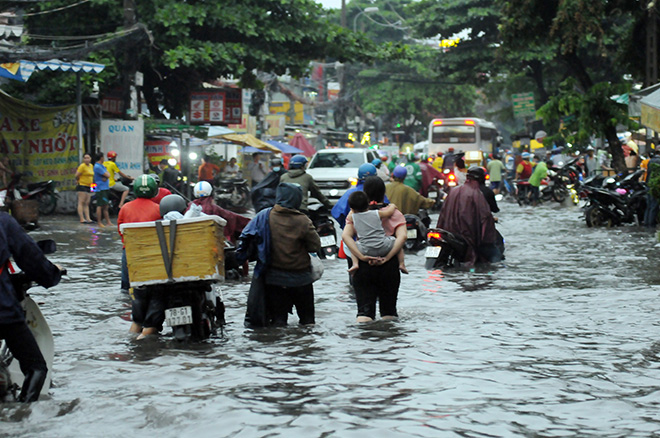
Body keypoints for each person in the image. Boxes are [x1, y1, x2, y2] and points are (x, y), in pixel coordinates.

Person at [236, 183, 321, 326]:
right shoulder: (303, 220)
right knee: (308, 323)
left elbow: (246, 239)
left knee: (278, 323)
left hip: (274, 279)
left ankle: (281, 348)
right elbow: (315, 246)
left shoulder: (264, 216)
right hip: (301, 279)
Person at [0, 212, 62, 402]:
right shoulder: (3, 221)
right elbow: (31, 258)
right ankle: (23, 415)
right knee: (36, 368)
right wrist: (51, 275)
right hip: (3, 311)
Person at [342, 176, 407, 323]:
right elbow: (402, 238)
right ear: (383, 192)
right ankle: (390, 344)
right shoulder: (394, 213)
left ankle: (365, 343)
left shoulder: (354, 214)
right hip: (389, 266)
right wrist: (388, 257)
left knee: (364, 314)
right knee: (389, 313)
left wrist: (361, 257)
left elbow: (346, 237)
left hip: (364, 264)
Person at [117, 175, 163, 334]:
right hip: (152, 257)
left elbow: (121, 231)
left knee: (128, 289)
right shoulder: (158, 209)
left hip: (130, 254)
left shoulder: (125, 208)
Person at [436, 169, 502, 266]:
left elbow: (443, 213)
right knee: (496, 258)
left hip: (449, 233)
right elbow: (485, 218)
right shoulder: (477, 194)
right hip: (468, 236)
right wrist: (485, 239)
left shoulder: (454, 191)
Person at [345, 190, 407, 274]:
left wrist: (362, 257)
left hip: (365, 249)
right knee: (397, 242)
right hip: (383, 246)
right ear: (368, 204)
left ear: (352, 208)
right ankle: (402, 264)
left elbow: (346, 231)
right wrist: (392, 206)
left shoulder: (353, 217)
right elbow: (388, 213)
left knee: (353, 247)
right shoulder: (376, 213)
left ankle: (355, 264)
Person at [331, 163, 382, 229]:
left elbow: (336, 213)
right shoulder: (380, 193)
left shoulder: (350, 193)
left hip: (353, 236)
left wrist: (347, 225)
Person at [93, 152, 112, 227]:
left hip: (105, 187)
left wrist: (106, 176)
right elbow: (108, 174)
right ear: (101, 158)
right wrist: (106, 176)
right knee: (100, 205)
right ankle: (99, 222)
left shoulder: (101, 166)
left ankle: (108, 222)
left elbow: (107, 174)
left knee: (105, 206)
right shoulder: (98, 167)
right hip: (100, 188)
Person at [74, 153, 94, 224]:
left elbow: (92, 177)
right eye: (85, 158)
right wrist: (78, 180)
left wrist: (93, 187)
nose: (86, 159)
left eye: (88, 158)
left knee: (87, 203)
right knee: (81, 202)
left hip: (89, 185)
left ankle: (88, 218)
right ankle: (82, 218)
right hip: (82, 185)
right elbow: (76, 175)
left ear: (90, 159)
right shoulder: (82, 166)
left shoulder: (91, 166)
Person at [643, 151, 660, 228]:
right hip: (655, 186)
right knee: (654, 206)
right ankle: (651, 224)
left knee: (649, 206)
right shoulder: (658, 161)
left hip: (649, 185)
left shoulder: (651, 160)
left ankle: (647, 223)